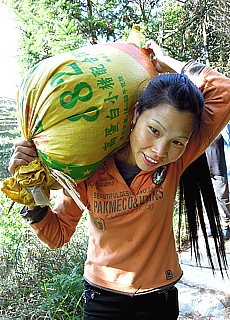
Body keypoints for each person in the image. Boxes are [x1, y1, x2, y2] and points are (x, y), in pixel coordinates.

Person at [8, 40, 230, 320]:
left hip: (157, 295)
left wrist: (166, 62)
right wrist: (31, 189)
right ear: (136, 113)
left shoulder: (176, 163)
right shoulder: (90, 167)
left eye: (177, 141)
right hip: (102, 297)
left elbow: (223, 91)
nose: (160, 151)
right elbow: (58, 234)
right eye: (154, 130)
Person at [206, 134, 230, 241]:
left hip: (219, 170)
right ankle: (214, 225)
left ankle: (226, 226)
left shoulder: (222, 130)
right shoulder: (201, 131)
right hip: (206, 172)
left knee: (223, 199)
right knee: (209, 200)